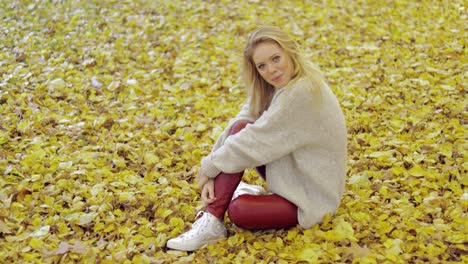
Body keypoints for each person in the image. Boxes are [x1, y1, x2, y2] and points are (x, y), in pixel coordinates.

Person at [166, 25, 347, 251]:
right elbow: (239, 126)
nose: (271, 70)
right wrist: (211, 167)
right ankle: (213, 219)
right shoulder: (277, 87)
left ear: (290, 52)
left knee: (240, 211)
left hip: (312, 197)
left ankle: (219, 212)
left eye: (276, 58)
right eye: (262, 66)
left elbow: (253, 142)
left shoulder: (301, 92)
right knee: (241, 128)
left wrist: (209, 168)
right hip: (294, 176)